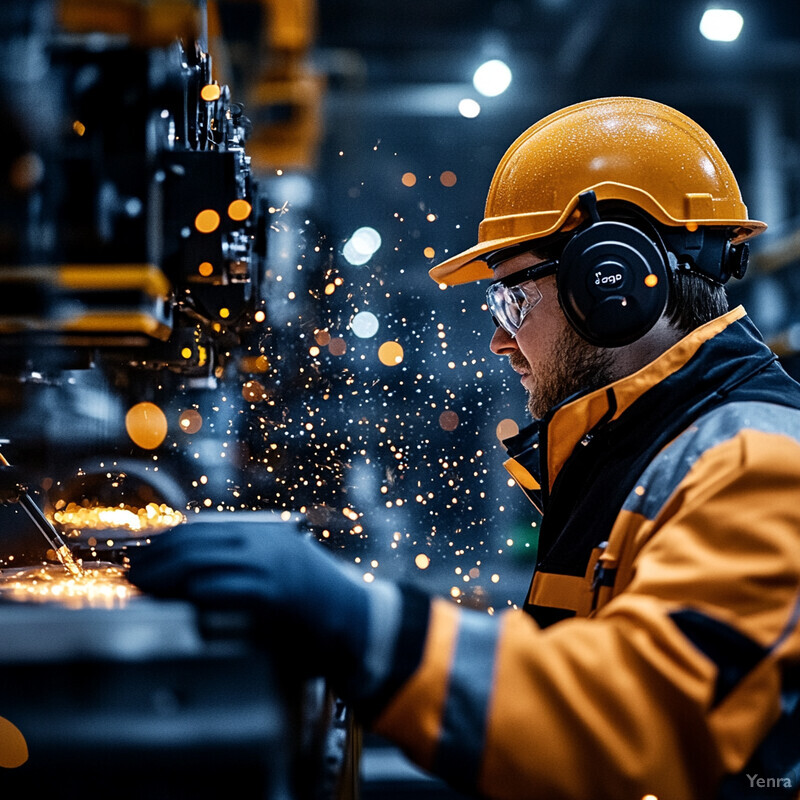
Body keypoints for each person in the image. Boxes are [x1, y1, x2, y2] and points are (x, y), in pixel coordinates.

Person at [127, 97, 800, 799]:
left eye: (512, 301)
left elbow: (641, 724)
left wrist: (363, 625)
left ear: (615, 280)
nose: (500, 339)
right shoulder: (637, 449)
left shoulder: (755, 464)